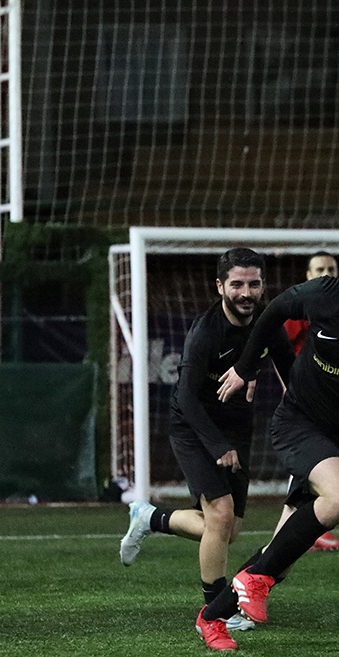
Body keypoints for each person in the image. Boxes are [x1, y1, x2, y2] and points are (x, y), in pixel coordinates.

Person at [192, 215, 339, 651]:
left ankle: (212, 616)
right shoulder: (324, 295)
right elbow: (273, 312)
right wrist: (245, 366)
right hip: (300, 421)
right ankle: (253, 582)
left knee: (284, 551)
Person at [119, 247, 289, 635]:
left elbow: (290, 374)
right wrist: (217, 445)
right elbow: (185, 398)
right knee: (221, 516)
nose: (246, 293)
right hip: (194, 427)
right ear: (219, 286)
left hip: (237, 427)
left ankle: (150, 518)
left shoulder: (267, 323)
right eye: (237, 284)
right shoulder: (206, 332)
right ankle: (216, 610)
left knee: (228, 530)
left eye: (254, 284)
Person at [285, 251, 339, 551]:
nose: (326, 274)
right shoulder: (300, 309)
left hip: (334, 398)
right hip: (305, 399)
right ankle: (298, 529)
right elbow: (278, 345)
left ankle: (304, 529)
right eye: (320, 269)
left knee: (322, 463)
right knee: (309, 463)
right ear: (308, 276)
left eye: (331, 269)